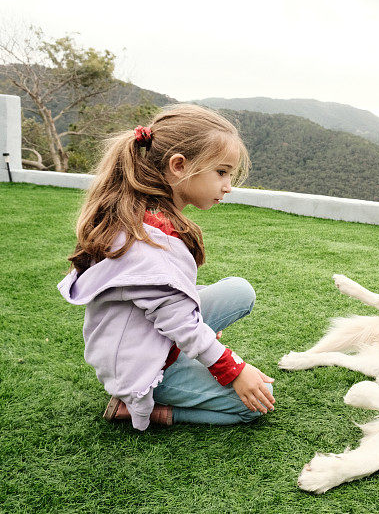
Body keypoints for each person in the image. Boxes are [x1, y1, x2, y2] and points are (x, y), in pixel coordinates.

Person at [58, 104, 275, 430]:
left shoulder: (150, 216)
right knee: (257, 402)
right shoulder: (150, 244)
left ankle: (184, 359)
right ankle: (141, 409)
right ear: (178, 166)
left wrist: (196, 321)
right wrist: (235, 370)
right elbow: (179, 323)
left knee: (239, 291)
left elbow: (170, 302)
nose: (228, 185)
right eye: (221, 172)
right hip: (142, 366)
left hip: (148, 334)